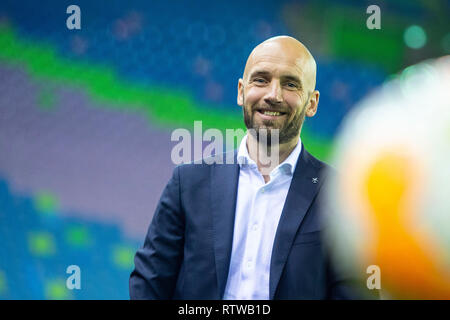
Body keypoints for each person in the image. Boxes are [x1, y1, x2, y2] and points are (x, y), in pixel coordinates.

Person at [129, 36, 369, 299]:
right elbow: (148, 285)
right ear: (241, 91)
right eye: (261, 80)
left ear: (312, 103)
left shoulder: (342, 196)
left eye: (290, 84)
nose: (273, 95)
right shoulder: (188, 183)